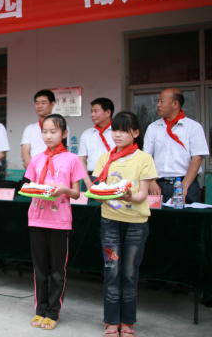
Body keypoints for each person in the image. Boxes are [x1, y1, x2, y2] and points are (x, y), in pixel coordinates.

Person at [92, 111, 157, 337]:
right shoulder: (105, 158)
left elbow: (141, 195)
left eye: (123, 130)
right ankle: (111, 321)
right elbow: (98, 189)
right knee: (112, 270)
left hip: (136, 225)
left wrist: (127, 196)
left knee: (129, 273)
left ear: (136, 133)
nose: (117, 135)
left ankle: (127, 322)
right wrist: (98, 194)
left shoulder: (144, 159)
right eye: (115, 130)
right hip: (109, 223)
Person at [24, 114, 86, 330]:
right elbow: (30, 186)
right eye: (45, 132)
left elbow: (76, 193)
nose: (48, 136)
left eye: (53, 131)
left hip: (59, 220)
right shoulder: (36, 159)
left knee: (57, 271)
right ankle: (40, 310)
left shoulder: (72, 159)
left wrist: (63, 190)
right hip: (36, 218)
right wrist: (32, 189)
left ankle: (53, 312)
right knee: (40, 269)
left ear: (64, 133)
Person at [143, 88, 209, 203]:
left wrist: (184, 186)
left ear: (175, 104)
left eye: (161, 101)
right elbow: (146, 156)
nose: (158, 105)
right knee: (158, 215)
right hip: (158, 185)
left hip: (187, 183)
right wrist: (151, 181)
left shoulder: (193, 127)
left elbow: (197, 158)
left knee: (187, 214)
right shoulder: (153, 127)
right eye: (158, 101)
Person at [79, 98, 115, 175]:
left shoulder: (118, 132)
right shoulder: (87, 134)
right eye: (91, 111)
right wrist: (86, 179)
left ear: (108, 112)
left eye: (96, 111)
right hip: (92, 176)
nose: (92, 115)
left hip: (114, 175)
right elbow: (82, 159)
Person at [21, 90, 56, 169]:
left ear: (52, 104)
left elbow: (62, 151)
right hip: (33, 171)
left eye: (43, 103)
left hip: (53, 170)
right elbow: (25, 152)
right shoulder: (29, 129)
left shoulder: (61, 126)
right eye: (37, 103)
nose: (39, 106)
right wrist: (32, 170)